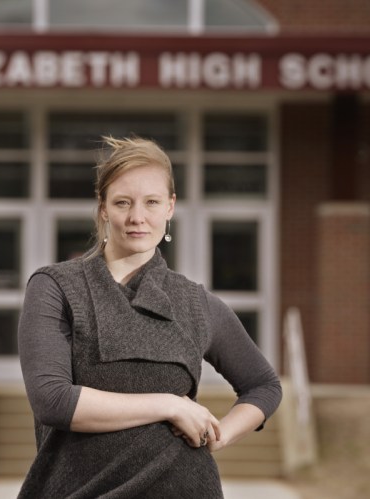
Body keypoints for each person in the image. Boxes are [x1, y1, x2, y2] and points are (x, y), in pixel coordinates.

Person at [17, 136, 282, 498]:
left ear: (170, 207)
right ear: (104, 207)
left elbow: (264, 386)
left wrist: (215, 436)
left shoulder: (195, 304)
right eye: (123, 202)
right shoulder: (57, 287)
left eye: (152, 202)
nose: (137, 217)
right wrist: (170, 405)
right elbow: (53, 400)